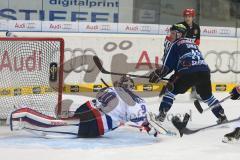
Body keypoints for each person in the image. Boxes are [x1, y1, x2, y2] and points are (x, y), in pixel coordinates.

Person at [9, 76, 159, 138]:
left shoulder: (113, 90)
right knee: (54, 128)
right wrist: (150, 129)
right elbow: (141, 122)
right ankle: (21, 115)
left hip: (87, 109)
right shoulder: (139, 102)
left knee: (59, 124)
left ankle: (25, 114)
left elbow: (100, 99)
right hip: (95, 123)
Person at [149, 23, 228, 124]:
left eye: (173, 33)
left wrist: (158, 74)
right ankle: (221, 115)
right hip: (204, 71)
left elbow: (168, 66)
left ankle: (161, 115)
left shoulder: (175, 44)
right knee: (208, 97)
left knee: (170, 91)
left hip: (188, 72)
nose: (171, 35)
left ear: (179, 34)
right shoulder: (193, 44)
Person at [163, 8, 201, 99]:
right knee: (176, 73)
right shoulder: (178, 26)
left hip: (189, 55)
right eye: (186, 16)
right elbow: (170, 39)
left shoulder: (196, 28)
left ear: (193, 17)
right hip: (177, 54)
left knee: (196, 71)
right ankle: (166, 92)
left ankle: (194, 92)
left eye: (189, 16)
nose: (187, 18)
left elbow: (197, 41)